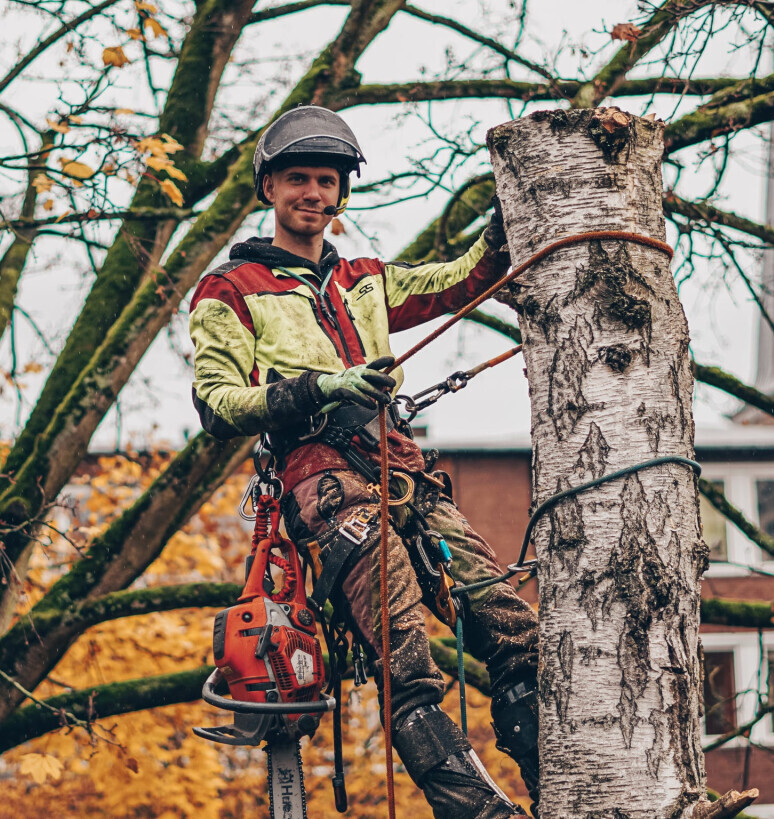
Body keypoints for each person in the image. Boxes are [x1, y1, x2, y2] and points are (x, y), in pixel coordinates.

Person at [189, 105, 539, 818]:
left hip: (403, 470)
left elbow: (467, 279)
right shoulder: (231, 290)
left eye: (325, 180)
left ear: (340, 193)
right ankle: (475, 809)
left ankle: (567, 784)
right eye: (297, 180)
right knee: (407, 655)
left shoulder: (366, 279)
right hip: (325, 486)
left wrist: (510, 213)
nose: (312, 193)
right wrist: (321, 385)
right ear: (269, 189)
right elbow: (217, 404)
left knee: (511, 622)